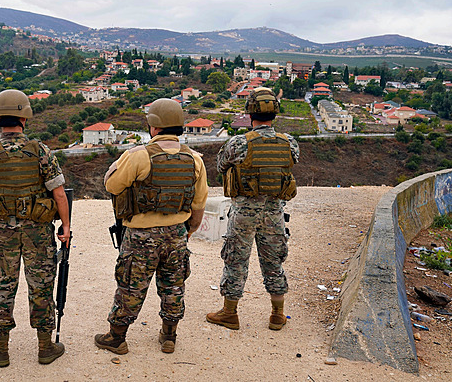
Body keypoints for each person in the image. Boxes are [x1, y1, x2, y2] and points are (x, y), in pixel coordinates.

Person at [0, 89, 71, 367]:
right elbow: (59, 194)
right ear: (25, 118)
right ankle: (46, 348)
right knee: (42, 287)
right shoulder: (41, 151)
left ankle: (0, 350)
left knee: (3, 287)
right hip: (38, 234)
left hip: (3, 235)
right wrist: (66, 228)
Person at [95, 98, 208, 354]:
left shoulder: (138, 156)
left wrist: (116, 166)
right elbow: (199, 202)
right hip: (177, 234)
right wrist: (188, 231)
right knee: (174, 286)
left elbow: (112, 186)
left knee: (131, 286)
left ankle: (116, 338)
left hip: (141, 237)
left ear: (154, 127)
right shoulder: (194, 160)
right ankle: (169, 337)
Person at [206, 87, 299, 331]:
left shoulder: (238, 143)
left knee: (236, 260)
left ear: (250, 113)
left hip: (244, 214)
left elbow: (221, 165)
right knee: (274, 262)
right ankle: (277, 315)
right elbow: (292, 163)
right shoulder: (289, 143)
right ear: (275, 114)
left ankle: (229, 313)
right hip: (274, 213)